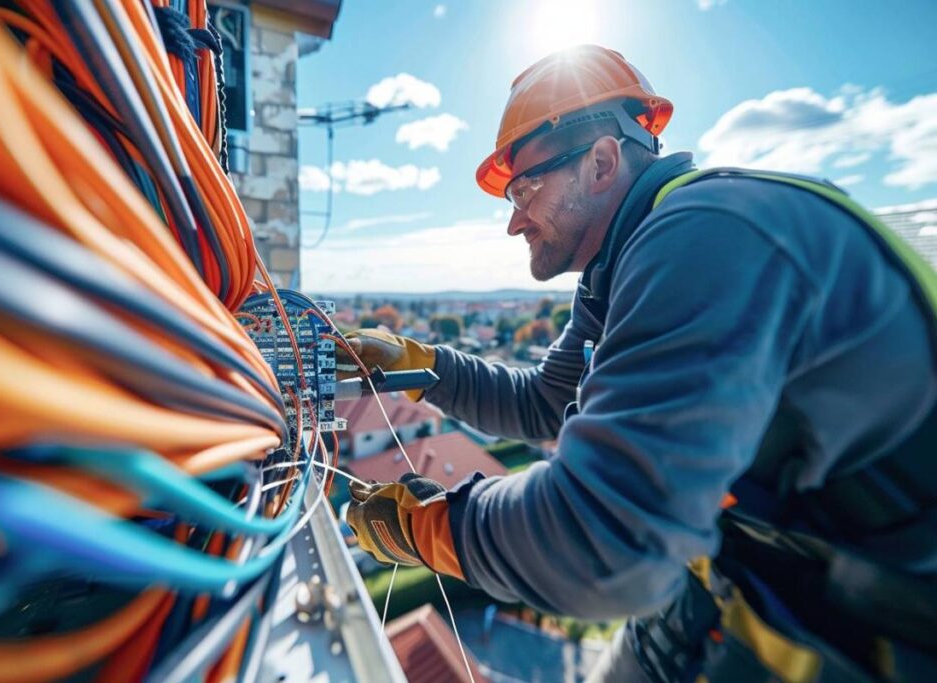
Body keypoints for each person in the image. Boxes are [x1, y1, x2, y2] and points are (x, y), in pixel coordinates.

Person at [342, 45, 937, 681]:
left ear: (601, 162)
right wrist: (424, 365)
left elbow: (601, 546)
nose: (514, 222)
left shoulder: (705, 238)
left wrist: (431, 528)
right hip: (760, 580)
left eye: (526, 187)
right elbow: (545, 403)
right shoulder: (624, 263)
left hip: (876, 631)